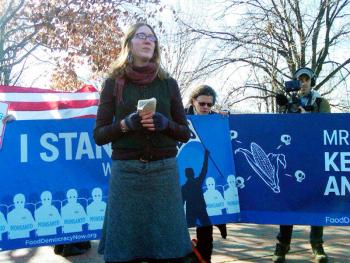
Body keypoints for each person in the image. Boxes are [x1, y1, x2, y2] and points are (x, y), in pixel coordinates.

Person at [93, 22, 194, 262]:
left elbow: (184, 133)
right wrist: (125, 124)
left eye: (152, 37)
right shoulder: (112, 83)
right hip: (126, 174)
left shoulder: (168, 83)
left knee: (169, 251)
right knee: (124, 253)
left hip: (164, 173)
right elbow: (99, 135)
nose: (148, 40)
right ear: (129, 43)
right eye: (141, 36)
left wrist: (165, 124)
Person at [273, 67, 330, 263]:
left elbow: (327, 129)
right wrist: (283, 108)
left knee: (316, 202)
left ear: (311, 82)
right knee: (288, 202)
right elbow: (279, 130)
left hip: (315, 160)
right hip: (292, 158)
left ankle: (317, 245)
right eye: (300, 80)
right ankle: (282, 246)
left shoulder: (321, 102)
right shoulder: (290, 104)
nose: (303, 83)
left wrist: (307, 117)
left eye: (306, 79)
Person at [185, 84, 228, 263]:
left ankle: (205, 258)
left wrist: (224, 118)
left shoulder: (214, 120)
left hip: (206, 178)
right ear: (193, 101)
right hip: (184, 171)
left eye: (210, 105)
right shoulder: (180, 116)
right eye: (202, 103)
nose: (206, 108)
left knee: (206, 226)